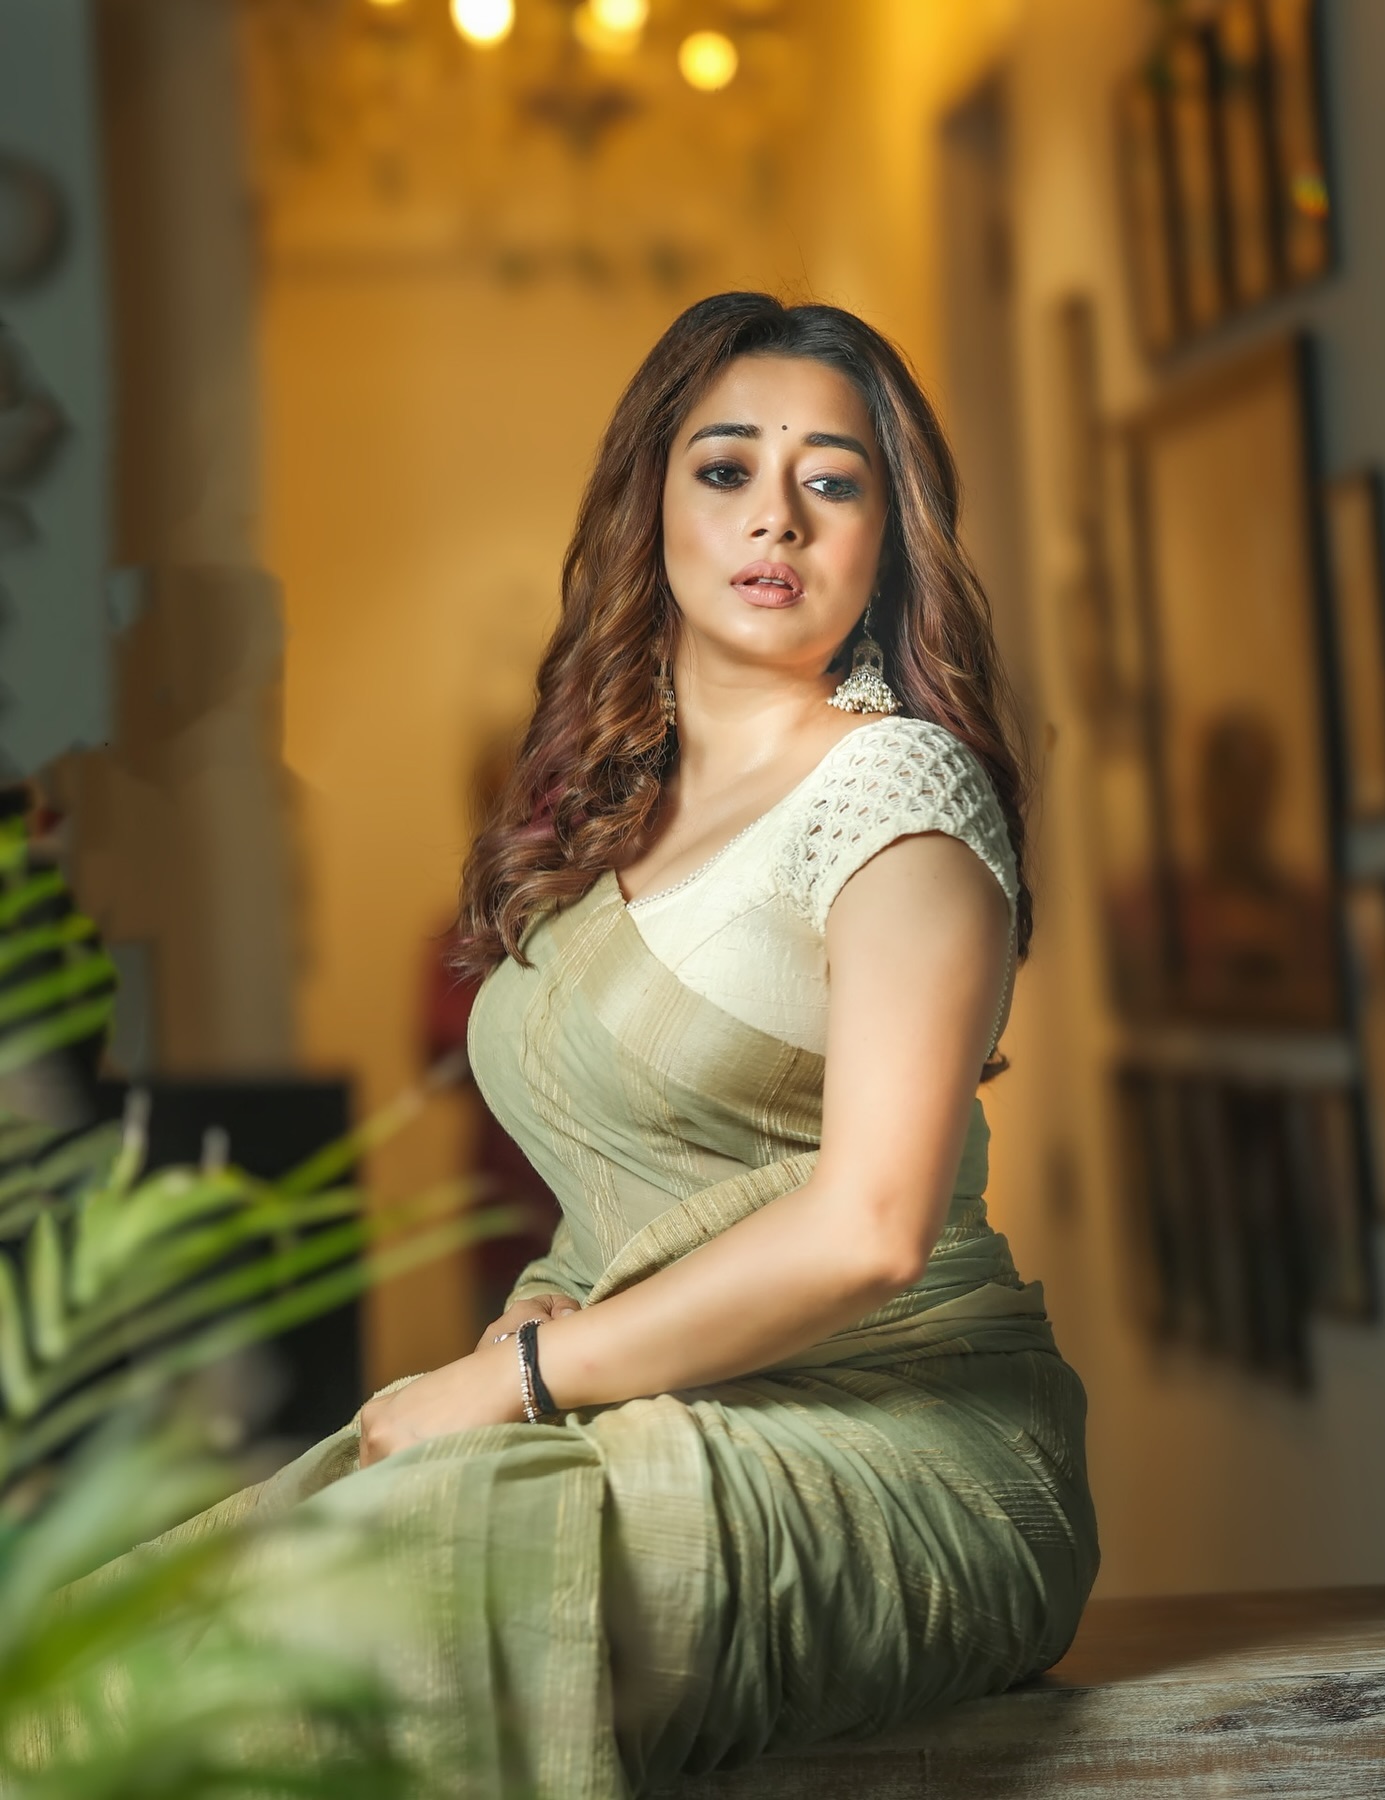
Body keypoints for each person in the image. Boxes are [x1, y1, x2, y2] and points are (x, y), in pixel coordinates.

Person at [99, 293, 1100, 1797]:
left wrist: (517, 1378)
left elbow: (870, 1231)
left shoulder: (898, 791)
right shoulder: (619, 811)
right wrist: (521, 1357)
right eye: (727, 468)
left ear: (890, 538)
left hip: (907, 1445)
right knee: (147, 1637)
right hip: (653, 1398)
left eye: (832, 482)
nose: (775, 517)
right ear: (653, 502)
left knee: (389, 1618)